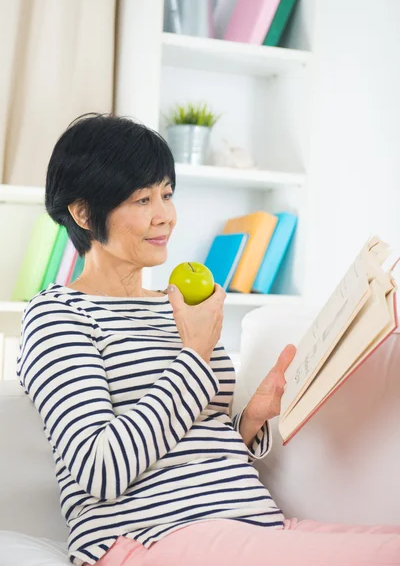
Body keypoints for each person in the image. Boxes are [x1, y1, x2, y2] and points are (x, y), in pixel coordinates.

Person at [17, 114, 400, 566]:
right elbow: (101, 468)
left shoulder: (176, 301)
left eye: (166, 193)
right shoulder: (58, 315)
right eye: (142, 199)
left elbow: (187, 443)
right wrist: (195, 355)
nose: (166, 215)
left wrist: (251, 418)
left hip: (254, 529)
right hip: (151, 540)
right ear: (83, 213)